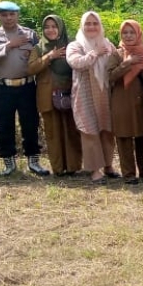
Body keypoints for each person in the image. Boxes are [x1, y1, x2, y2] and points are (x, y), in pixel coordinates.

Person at [0, 1, 49, 176]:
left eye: (12, 14)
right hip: (4, 88)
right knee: (4, 125)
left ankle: (34, 161)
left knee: (30, 124)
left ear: (18, 15)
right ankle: (8, 163)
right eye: (4, 14)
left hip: (27, 86)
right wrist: (9, 45)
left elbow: (41, 57)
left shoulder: (30, 35)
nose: (8, 18)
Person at [66, 11, 120, 184]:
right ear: (82, 26)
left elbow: (117, 61)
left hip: (105, 92)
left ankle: (108, 166)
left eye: (95, 23)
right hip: (85, 94)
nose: (91, 27)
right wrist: (94, 53)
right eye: (87, 23)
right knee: (90, 131)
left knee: (107, 129)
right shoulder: (75, 45)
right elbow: (76, 63)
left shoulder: (108, 44)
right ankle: (94, 169)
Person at [27, 15, 83, 177]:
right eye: (47, 27)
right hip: (47, 95)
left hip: (69, 95)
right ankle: (58, 168)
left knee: (71, 131)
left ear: (60, 27)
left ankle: (73, 166)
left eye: (54, 26)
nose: (50, 30)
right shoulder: (38, 48)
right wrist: (49, 57)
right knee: (53, 133)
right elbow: (30, 69)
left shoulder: (71, 46)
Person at [107, 20, 143, 185]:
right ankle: (129, 174)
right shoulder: (117, 54)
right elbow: (110, 76)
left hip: (141, 100)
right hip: (121, 100)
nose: (128, 36)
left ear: (138, 33)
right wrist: (127, 63)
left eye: (132, 32)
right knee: (124, 136)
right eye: (125, 33)